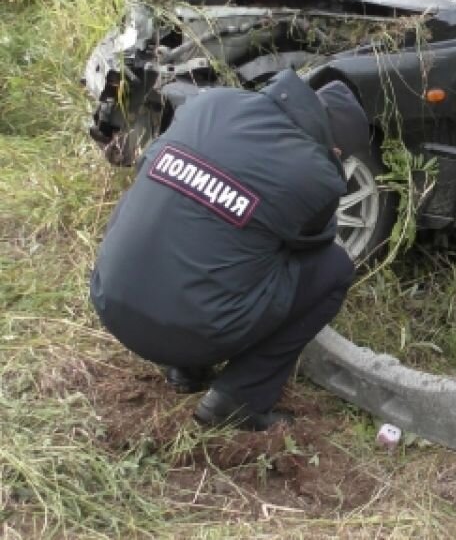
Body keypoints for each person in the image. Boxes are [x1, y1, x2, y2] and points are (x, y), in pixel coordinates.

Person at [90, 69, 370, 431]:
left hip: (111, 297)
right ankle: (239, 400)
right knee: (332, 269)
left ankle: (186, 370)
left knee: (194, 216)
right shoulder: (316, 173)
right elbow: (311, 244)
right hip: (192, 333)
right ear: (334, 146)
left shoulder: (208, 102)